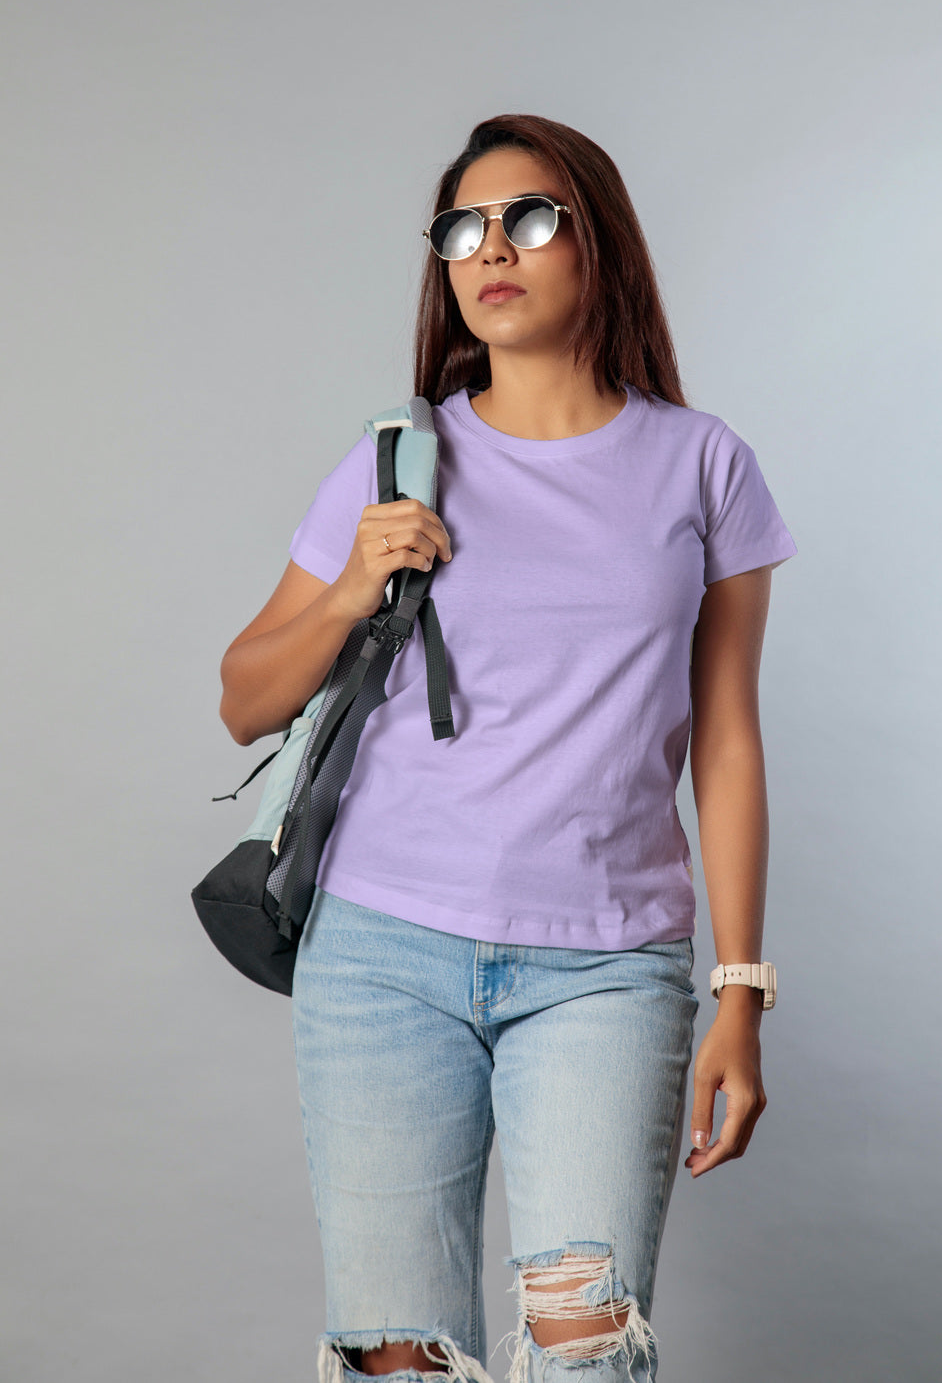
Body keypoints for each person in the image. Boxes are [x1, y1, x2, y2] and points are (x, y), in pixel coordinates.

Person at [218, 114, 797, 1383]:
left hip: (604, 970)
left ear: (600, 244)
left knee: (584, 1350)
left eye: (529, 218)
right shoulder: (395, 461)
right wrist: (348, 589)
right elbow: (243, 700)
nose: (492, 249)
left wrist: (741, 990)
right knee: (400, 1361)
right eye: (462, 229)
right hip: (380, 954)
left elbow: (727, 740)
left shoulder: (702, 466)